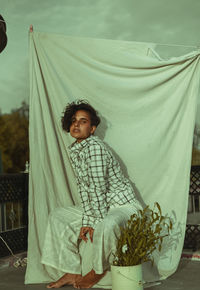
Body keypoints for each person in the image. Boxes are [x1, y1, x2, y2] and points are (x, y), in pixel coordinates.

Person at [41, 100, 142, 289]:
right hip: (102, 204)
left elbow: (97, 189)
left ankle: (97, 270)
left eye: (83, 121)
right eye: (73, 121)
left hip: (123, 207)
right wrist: (88, 219)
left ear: (93, 128)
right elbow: (86, 190)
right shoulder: (77, 150)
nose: (76, 124)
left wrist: (92, 222)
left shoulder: (95, 148)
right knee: (58, 216)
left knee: (107, 223)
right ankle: (71, 269)